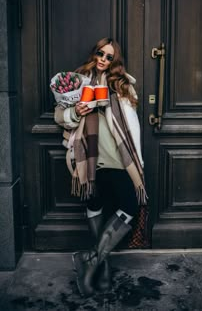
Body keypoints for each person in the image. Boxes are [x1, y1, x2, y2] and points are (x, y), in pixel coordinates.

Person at [54, 37, 148, 297]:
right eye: (100, 53)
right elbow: (59, 115)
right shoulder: (77, 80)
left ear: (115, 61)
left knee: (128, 206)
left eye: (109, 57)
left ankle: (91, 260)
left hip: (119, 158)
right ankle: (102, 267)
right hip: (89, 158)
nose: (103, 60)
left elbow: (132, 122)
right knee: (95, 205)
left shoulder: (123, 83)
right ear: (94, 53)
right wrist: (77, 112)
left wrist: (109, 104)